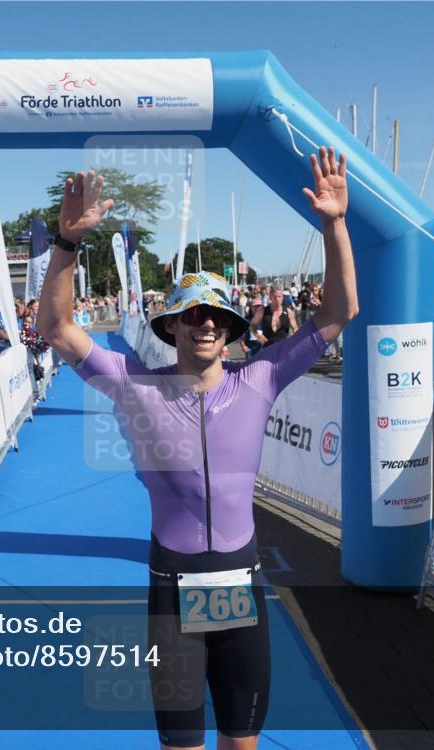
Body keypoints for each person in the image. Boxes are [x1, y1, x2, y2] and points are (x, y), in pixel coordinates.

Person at [37, 147, 358, 750]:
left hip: (240, 585)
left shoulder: (258, 379)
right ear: (172, 328)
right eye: (191, 315)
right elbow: (57, 329)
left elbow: (340, 312)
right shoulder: (137, 388)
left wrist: (335, 225)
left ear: (232, 328)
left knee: (241, 743)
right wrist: (68, 245)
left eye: (216, 315)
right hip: (171, 588)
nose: (204, 323)